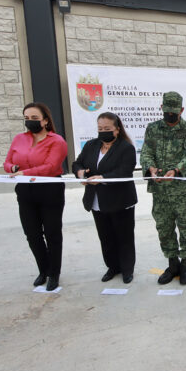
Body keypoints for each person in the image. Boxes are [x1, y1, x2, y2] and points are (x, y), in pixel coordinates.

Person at [5, 103, 68, 291]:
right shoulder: (19, 139)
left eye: (34, 118)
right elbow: (7, 162)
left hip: (50, 190)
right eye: (26, 118)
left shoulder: (56, 141)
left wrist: (26, 173)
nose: (30, 122)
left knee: (52, 233)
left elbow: (51, 166)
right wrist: (13, 168)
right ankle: (43, 269)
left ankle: (54, 273)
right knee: (32, 234)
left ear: (45, 120)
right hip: (25, 191)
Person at [140, 92, 186, 286]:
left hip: (181, 191)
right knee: (164, 228)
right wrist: (151, 168)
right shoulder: (153, 129)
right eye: (167, 111)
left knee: (185, 227)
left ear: (181, 110)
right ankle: (172, 264)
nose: (170, 115)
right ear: (162, 108)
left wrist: (177, 169)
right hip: (160, 191)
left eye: (174, 112)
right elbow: (146, 151)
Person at [72, 112, 138, 284]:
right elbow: (77, 163)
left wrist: (102, 178)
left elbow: (124, 171)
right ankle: (112, 267)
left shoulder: (126, 148)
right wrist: (79, 173)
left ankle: (127, 270)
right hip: (96, 201)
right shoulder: (91, 145)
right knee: (106, 237)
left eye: (107, 129)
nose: (103, 132)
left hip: (120, 200)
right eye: (100, 128)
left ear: (117, 129)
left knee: (124, 237)